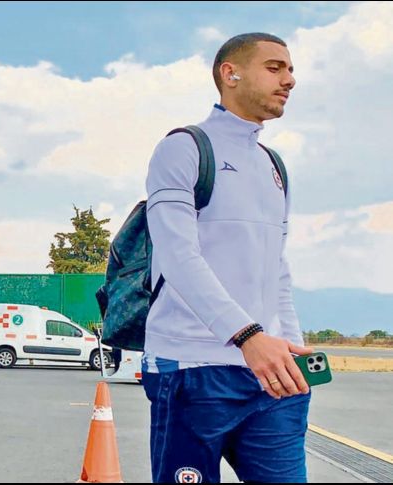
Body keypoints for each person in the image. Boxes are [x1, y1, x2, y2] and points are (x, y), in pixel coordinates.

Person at [141, 33, 313, 483]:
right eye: (275, 68)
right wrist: (247, 336)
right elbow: (177, 256)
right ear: (230, 73)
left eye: (291, 70)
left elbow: (276, 267)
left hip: (271, 376)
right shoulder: (183, 148)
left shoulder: (274, 165)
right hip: (193, 369)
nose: (289, 80)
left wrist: (287, 343)